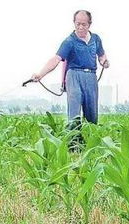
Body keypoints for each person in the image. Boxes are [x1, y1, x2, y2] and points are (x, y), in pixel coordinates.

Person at [31, 10, 109, 141]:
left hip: (91, 76)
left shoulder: (96, 39)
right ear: (74, 23)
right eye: (78, 24)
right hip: (74, 76)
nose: (80, 27)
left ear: (89, 24)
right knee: (74, 111)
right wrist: (40, 74)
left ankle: (90, 141)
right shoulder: (69, 41)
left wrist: (104, 62)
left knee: (92, 112)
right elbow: (56, 59)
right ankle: (74, 144)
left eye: (83, 24)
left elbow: (101, 55)